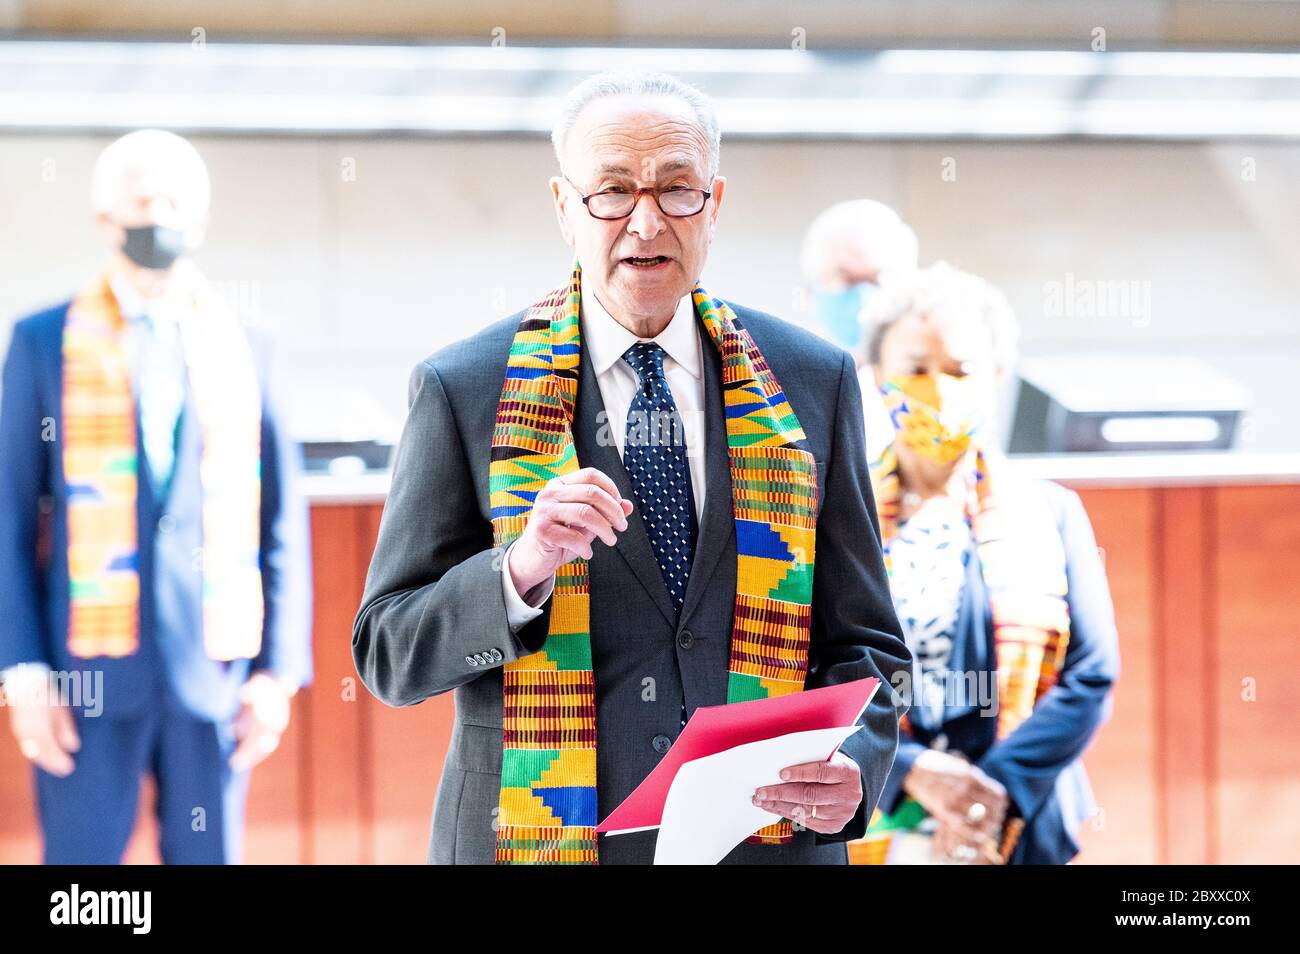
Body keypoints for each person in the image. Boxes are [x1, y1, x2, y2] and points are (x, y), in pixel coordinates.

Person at [353, 70, 911, 865]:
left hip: (763, 844)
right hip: (542, 842)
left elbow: (868, 644)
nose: (645, 223)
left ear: (714, 204)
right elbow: (387, 651)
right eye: (612, 192)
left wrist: (856, 765)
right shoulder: (464, 389)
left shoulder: (811, 379)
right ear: (563, 208)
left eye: (676, 190)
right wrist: (519, 569)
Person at [0, 129, 313, 864]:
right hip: (85, 677)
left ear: (200, 221)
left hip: (216, 672)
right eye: (142, 203)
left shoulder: (249, 343)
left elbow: (281, 522)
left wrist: (277, 673)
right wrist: (23, 672)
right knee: (80, 889)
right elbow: (9, 517)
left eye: (176, 203)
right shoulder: (43, 342)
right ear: (104, 220)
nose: (159, 217)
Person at [851, 262, 1120, 864]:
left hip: (1020, 820)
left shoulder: (1050, 512)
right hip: (880, 818)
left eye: (960, 370)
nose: (938, 388)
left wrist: (990, 793)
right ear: (873, 378)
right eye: (915, 370)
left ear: (996, 376)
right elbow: (818, 666)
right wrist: (915, 771)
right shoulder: (842, 515)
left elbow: (1091, 676)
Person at [800, 199, 918, 356]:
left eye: (875, 281)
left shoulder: (934, 375)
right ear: (809, 292)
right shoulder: (772, 374)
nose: (861, 298)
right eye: (844, 279)